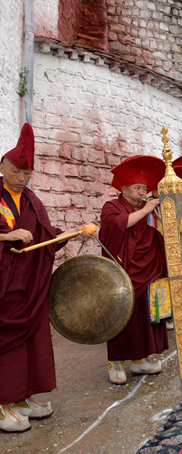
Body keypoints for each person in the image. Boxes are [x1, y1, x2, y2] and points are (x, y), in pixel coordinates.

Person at [0, 123, 95, 432]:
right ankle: (4, 405)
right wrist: (7, 236)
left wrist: (70, 233)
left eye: (27, 174)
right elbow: (11, 235)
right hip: (4, 285)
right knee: (7, 345)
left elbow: (46, 235)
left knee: (32, 344)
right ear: (3, 166)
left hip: (30, 283)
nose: (21, 178)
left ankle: (23, 396)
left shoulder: (32, 200)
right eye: (16, 171)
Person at [99, 155, 169, 385]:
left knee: (145, 315)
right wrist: (146, 209)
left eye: (144, 188)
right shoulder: (111, 206)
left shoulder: (149, 209)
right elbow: (116, 226)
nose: (142, 192)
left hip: (147, 269)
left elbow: (155, 236)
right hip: (123, 270)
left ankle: (141, 359)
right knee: (122, 315)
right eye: (138, 188)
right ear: (124, 188)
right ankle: (116, 361)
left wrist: (157, 217)